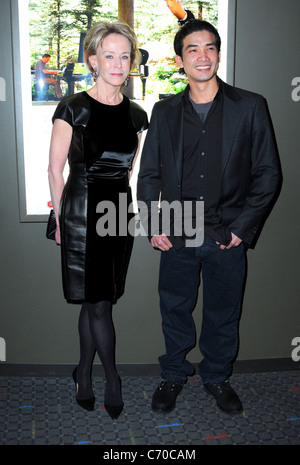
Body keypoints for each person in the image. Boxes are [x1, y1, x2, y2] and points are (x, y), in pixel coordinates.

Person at [137, 19, 281, 415]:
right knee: (175, 310)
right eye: (193, 49)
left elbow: (268, 173)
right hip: (177, 233)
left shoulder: (251, 106)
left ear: (218, 52)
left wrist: (242, 228)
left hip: (227, 235)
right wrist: (153, 225)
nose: (203, 56)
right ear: (179, 59)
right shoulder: (164, 111)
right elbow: (149, 173)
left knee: (223, 314)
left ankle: (217, 378)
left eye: (210, 47)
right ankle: (174, 376)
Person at [48, 21, 148, 419]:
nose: (119, 63)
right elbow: (55, 171)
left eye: (126, 56)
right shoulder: (73, 107)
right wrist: (58, 221)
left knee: (95, 304)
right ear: (93, 60)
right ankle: (110, 378)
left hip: (118, 214)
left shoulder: (138, 115)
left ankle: (82, 373)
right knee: (99, 305)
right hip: (80, 212)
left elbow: (126, 174)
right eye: (110, 55)